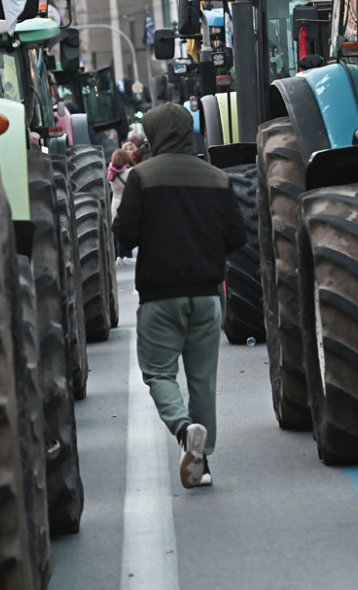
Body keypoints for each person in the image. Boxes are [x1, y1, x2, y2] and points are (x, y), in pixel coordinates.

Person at [114, 103, 246, 489]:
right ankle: (201, 465)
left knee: (158, 372)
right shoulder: (217, 178)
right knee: (202, 380)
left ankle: (184, 428)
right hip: (207, 297)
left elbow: (126, 232)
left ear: (153, 136)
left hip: (160, 298)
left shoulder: (142, 176)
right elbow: (237, 236)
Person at [108, 148, 135, 261]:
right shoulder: (128, 173)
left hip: (115, 203)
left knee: (119, 231)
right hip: (126, 203)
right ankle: (127, 255)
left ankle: (119, 255)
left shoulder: (110, 174)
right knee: (128, 230)